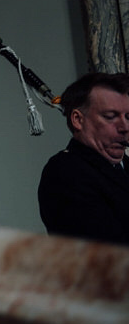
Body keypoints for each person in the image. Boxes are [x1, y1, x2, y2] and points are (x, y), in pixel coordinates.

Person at [38, 72, 129, 245]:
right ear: (78, 120)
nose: (124, 127)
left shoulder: (125, 165)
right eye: (110, 117)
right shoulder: (64, 173)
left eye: (128, 117)